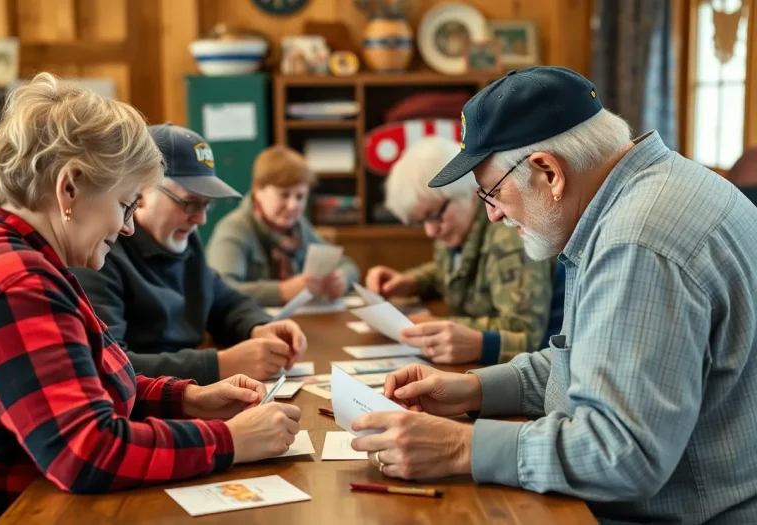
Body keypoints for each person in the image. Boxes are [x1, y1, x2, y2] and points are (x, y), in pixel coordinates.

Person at [350, 67, 757, 524]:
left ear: (548, 171)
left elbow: (621, 455)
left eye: (493, 193)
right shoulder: (647, 193)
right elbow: (594, 359)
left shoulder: (636, 243)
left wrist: (457, 445)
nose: (493, 216)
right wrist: (475, 389)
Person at [0, 73, 301, 524]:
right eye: (125, 205)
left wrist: (186, 399)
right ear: (70, 187)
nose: (129, 227)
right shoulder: (19, 279)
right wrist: (228, 439)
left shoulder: (34, 260)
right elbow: (87, 452)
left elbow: (90, 383)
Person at [71, 125, 307, 386]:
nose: (201, 219)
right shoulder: (100, 255)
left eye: (207, 204)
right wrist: (221, 365)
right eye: (191, 202)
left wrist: (259, 327)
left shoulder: (185, 240)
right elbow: (111, 365)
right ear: (141, 193)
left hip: (186, 397)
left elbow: (226, 301)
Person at [365, 136, 553, 364]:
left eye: (434, 216)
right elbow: (456, 270)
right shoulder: (457, 227)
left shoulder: (509, 236)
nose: (430, 231)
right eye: (421, 221)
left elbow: (524, 334)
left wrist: (436, 324)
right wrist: (411, 282)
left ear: (466, 190)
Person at [206, 144, 359, 307]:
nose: (293, 205)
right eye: (284, 195)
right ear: (258, 189)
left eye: (300, 196)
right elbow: (221, 288)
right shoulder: (234, 228)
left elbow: (348, 266)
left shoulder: (298, 227)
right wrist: (281, 291)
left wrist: (341, 279)